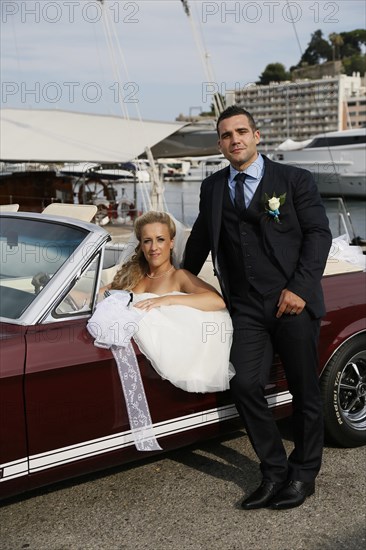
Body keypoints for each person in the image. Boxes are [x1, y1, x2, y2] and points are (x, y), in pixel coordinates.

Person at [183, 106, 332, 510]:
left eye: (242, 131)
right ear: (220, 144)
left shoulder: (293, 179)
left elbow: (319, 234)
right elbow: (199, 239)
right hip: (245, 306)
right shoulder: (213, 187)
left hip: (292, 303)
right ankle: (274, 472)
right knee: (245, 384)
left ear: (257, 135)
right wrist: (176, 282)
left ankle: (304, 475)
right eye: (227, 134)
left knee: (304, 392)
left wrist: (300, 288)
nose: (235, 139)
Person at [105, 210, 234, 393]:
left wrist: (167, 299)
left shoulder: (179, 277)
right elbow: (99, 294)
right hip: (126, 357)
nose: (153, 248)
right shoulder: (132, 277)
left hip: (156, 368)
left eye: (160, 239)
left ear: (171, 242)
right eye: (147, 241)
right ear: (140, 245)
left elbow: (216, 301)